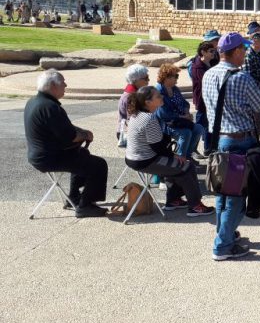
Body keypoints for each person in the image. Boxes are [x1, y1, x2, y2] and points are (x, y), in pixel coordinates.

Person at [202, 32, 260, 261]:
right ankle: (222, 246)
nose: (246, 54)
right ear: (238, 51)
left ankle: (226, 234)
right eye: (244, 50)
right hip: (240, 139)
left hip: (220, 139)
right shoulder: (241, 77)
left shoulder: (209, 74)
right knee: (236, 197)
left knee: (223, 193)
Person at [24, 70, 108, 218]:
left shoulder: (34, 102)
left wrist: (82, 132)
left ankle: (74, 197)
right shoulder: (51, 108)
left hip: (40, 155)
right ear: (52, 86)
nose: (66, 85)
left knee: (82, 154)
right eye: (62, 82)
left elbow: (63, 129)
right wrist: (85, 135)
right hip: (49, 158)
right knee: (98, 165)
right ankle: (85, 206)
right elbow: (70, 137)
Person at [125, 86, 214, 216]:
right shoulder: (149, 118)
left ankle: (173, 201)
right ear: (148, 102)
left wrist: (174, 156)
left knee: (176, 166)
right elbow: (158, 148)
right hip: (144, 160)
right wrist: (176, 156)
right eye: (158, 96)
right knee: (187, 166)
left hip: (135, 158)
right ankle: (195, 206)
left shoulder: (137, 114)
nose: (162, 97)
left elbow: (158, 146)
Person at [155, 64, 205, 160]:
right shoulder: (159, 91)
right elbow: (164, 114)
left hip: (179, 121)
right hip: (166, 124)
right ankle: (180, 158)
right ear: (167, 77)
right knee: (186, 133)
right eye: (176, 76)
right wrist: (183, 117)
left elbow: (185, 103)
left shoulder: (174, 89)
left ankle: (187, 156)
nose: (177, 78)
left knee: (198, 128)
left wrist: (186, 112)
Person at [190, 41, 216, 155]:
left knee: (209, 124)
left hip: (210, 100)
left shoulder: (211, 63)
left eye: (214, 51)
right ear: (203, 52)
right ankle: (192, 149)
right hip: (202, 100)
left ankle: (207, 148)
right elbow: (206, 82)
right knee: (200, 126)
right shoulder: (197, 67)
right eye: (211, 51)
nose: (213, 53)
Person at [117, 64, 150, 148]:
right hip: (127, 134)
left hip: (126, 130)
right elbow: (132, 120)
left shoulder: (131, 91)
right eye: (146, 78)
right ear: (136, 80)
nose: (148, 80)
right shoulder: (131, 96)